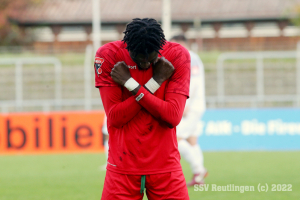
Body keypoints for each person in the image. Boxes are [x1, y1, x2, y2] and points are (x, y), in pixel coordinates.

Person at [94, 18, 190, 199]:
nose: (145, 63)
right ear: (127, 47)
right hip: (122, 168)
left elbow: (172, 117)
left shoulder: (177, 55)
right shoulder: (108, 55)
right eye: (139, 58)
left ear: (160, 49)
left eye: (151, 58)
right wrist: (155, 82)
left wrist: (130, 83)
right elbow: (115, 117)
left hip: (166, 168)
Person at [170, 35, 208, 186]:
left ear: (180, 44)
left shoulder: (188, 57)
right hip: (196, 104)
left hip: (190, 106)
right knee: (192, 140)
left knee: (174, 139)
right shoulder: (193, 57)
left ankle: (199, 170)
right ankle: (198, 176)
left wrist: (184, 103)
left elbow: (193, 82)